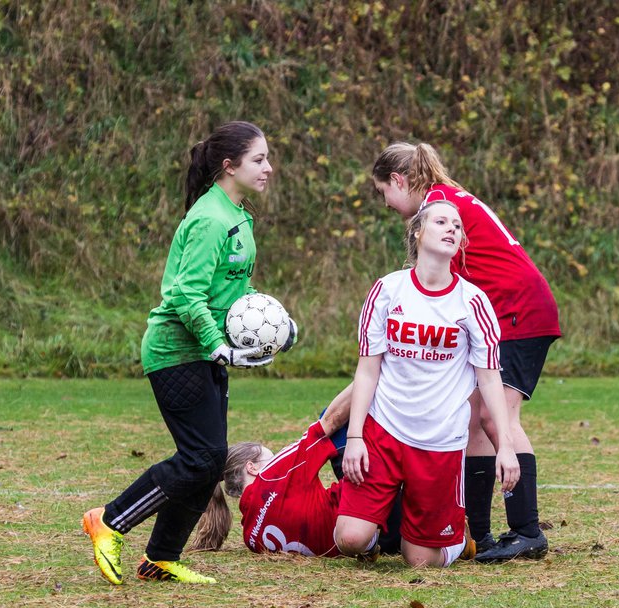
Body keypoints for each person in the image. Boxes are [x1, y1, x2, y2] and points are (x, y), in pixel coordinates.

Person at [83, 121, 293, 585]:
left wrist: (276, 325)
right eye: (259, 159)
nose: (268, 167)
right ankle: (110, 520)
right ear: (229, 165)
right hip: (177, 352)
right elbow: (184, 295)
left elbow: (235, 290)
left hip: (205, 354)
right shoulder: (209, 218)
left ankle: (160, 557)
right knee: (201, 459)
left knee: (207, 460)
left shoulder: (238, 214)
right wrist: (218, 346)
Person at [371, 142, 559, 562]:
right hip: (507, 309)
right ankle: (480, 535)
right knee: (472, 419)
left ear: (399, 181)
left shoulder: (438, 207)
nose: (386, 203)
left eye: (384, 191)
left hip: (518, 310)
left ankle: (528, 531)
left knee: (497, 416)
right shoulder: (443, 197)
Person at [334, 199, 519, 569]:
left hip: (439, 443)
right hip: (383, 432)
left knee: (418, 560)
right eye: (441, 221)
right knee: (348, 540)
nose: (452, 228)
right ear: (418, 232)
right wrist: (355, 437)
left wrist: (507, 446)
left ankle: (456, 539)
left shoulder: (473, 302)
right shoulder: (387, 290)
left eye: (457, 225)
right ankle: (379, 531)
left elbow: (489, 379)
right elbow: (367, 371)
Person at [190, 384, 412, 559]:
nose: (276, 457)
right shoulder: (273, 475)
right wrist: (372, 375)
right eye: (270, 455)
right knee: (337, 415)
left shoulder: (250, 537)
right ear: (253, 467)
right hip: (376, 520)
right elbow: (330, 421)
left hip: (387, 542)